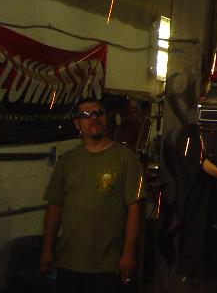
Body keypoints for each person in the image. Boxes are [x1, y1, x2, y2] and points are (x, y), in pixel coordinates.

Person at [39, 97, 146, 292]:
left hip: (108, 266)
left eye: (98, 113)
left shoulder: (126, 159)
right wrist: (47, 249)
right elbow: (55, 206)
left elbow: (134, 208)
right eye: (86, 115)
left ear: (106, 118)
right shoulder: (67, 161)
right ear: (77, 124)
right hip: (70, 262)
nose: (93, 118)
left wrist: (129, 253)